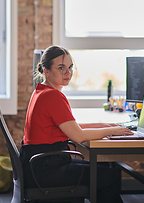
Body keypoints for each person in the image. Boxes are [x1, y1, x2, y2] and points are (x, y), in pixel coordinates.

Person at [20, 45, 133, 203]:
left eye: (70, 67)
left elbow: (70, 126)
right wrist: (113, 131)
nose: (68, 72)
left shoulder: (42, 91)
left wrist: (103, 126)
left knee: (103, 170)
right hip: (46, 171)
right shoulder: (52, 96)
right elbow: (78, 136)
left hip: (37, 165)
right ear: (46, 70)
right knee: (110, 177)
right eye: (61, 68)